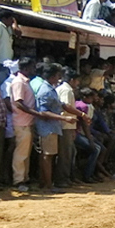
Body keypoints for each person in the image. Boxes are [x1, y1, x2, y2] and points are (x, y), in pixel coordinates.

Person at [33, 63, 75, 191]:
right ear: (52, 76)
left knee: (48, 156)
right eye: (57, 75)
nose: (59, 78)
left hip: (51, 127)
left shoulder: (51, 89)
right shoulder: (45, 90)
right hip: (47, 128)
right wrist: (64, 118)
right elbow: (43, 112)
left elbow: (61, 105)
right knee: (47, 156)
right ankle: (48, 185)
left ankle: (44, 183)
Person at [11, 57, 39, 192]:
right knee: (21, 153)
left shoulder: (25, 82)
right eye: (32, 67)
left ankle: (24, 178)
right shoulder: (19, 83)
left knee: (25, 153)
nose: (34, 70)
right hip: (21, 122)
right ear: (26, 68)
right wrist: (34, 113)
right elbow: (18, 102)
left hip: (27, 122)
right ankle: (18, 180)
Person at [0, 10, 18, 85]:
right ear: (4, 19)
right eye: (11, 19)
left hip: (6, 64)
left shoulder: (8, 28)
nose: (12, 21)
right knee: (0, 85)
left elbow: (17, 32)